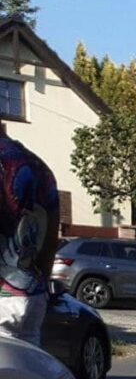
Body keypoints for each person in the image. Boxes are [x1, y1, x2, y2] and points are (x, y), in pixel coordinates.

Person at [0, 120, 60, 346]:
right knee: (25, 377)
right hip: (32, 296)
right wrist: (42, 284)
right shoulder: (41, 168)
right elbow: (51, 241)